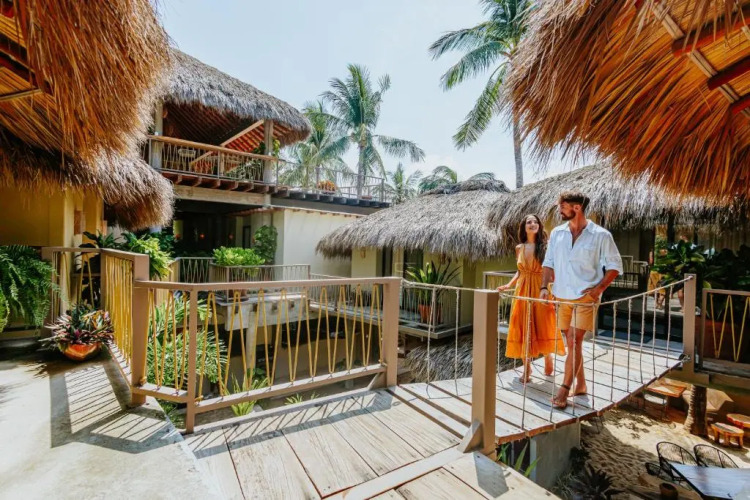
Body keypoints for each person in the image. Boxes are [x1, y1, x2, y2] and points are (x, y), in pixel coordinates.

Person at [540, 192, 623, 409]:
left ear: (576, 208)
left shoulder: (601, 235)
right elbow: (548, 263)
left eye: (563, 207)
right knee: (571, 344)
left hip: (585, 297)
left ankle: (564, 389)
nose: (559, 211)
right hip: (561, 295)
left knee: (575, 341)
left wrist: (598, 289)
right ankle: (582, 384)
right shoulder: (557, 233)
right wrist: (543, 287)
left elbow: (615, 266)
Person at [498, 214, 565, 383]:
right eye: (529, 222)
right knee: (522, 326)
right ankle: (527, 368)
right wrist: (509, 284)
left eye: (535, 222)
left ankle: (548, 356)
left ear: (539, 226)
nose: (533, 224)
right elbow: (520, 271)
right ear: (524, 227)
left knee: (543, 324)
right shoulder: (519, 248)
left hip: (540, 289)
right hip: (522, 290)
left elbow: (552, 270)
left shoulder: (545, 246)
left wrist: (556, 289)